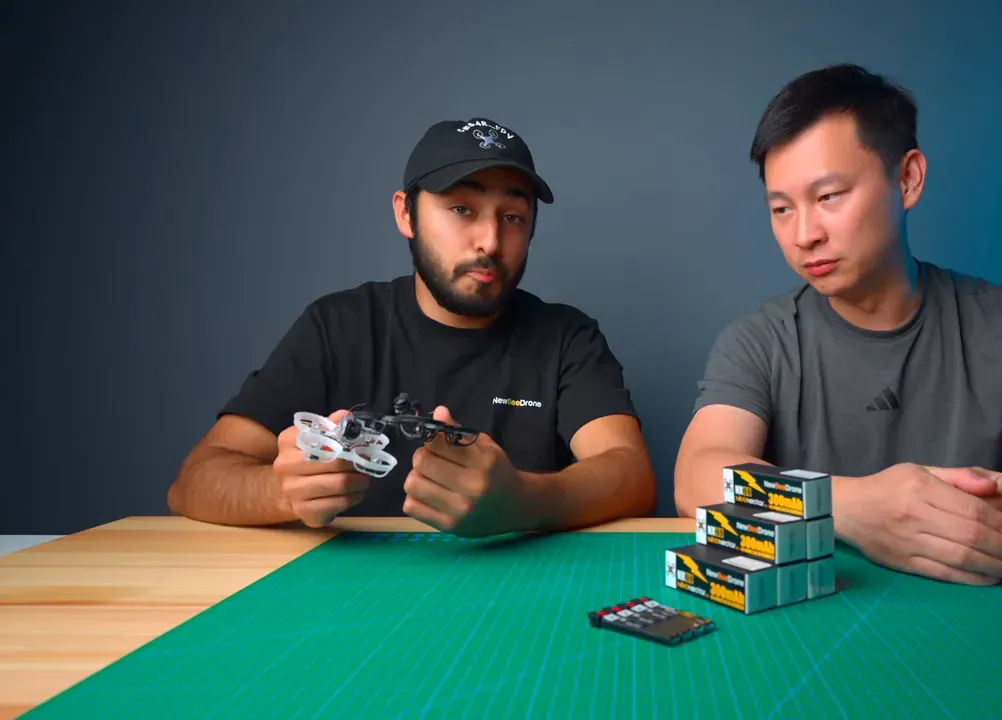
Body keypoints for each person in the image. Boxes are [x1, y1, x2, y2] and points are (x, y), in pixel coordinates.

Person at [673, 64, 1002, 586]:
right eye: (781, 209)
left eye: (828, 197)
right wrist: (849, 506)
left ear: (908, 178)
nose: (804, 235)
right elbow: (696, 473)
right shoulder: (760, 338)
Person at [169, 117, 656, 536]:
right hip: (341, 603)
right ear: (406, 213)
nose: (490, 240)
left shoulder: (565, 336)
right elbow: (195, 481)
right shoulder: (337, 325)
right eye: (462, 209)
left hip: (512, 596)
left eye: (513, 216)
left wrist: (522, 500)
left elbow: (631, 474)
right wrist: (280, 491)